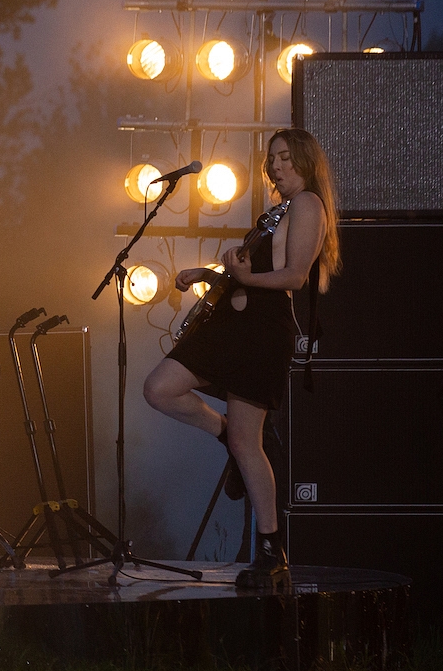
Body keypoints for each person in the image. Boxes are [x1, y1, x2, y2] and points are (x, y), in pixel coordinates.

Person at [143, 129, 341, 590]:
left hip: (261, 334)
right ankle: (225, 431)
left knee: (248, 447)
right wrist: (210, 274)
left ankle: (272, 549)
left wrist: (238, 276)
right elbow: (249, 276)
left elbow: (291, 277)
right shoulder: (277, 211)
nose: (276, 166)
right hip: (233, 327)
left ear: (306, 162)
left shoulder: (309, 204)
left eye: (286, 158)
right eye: (271, 158)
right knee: (159, 388)